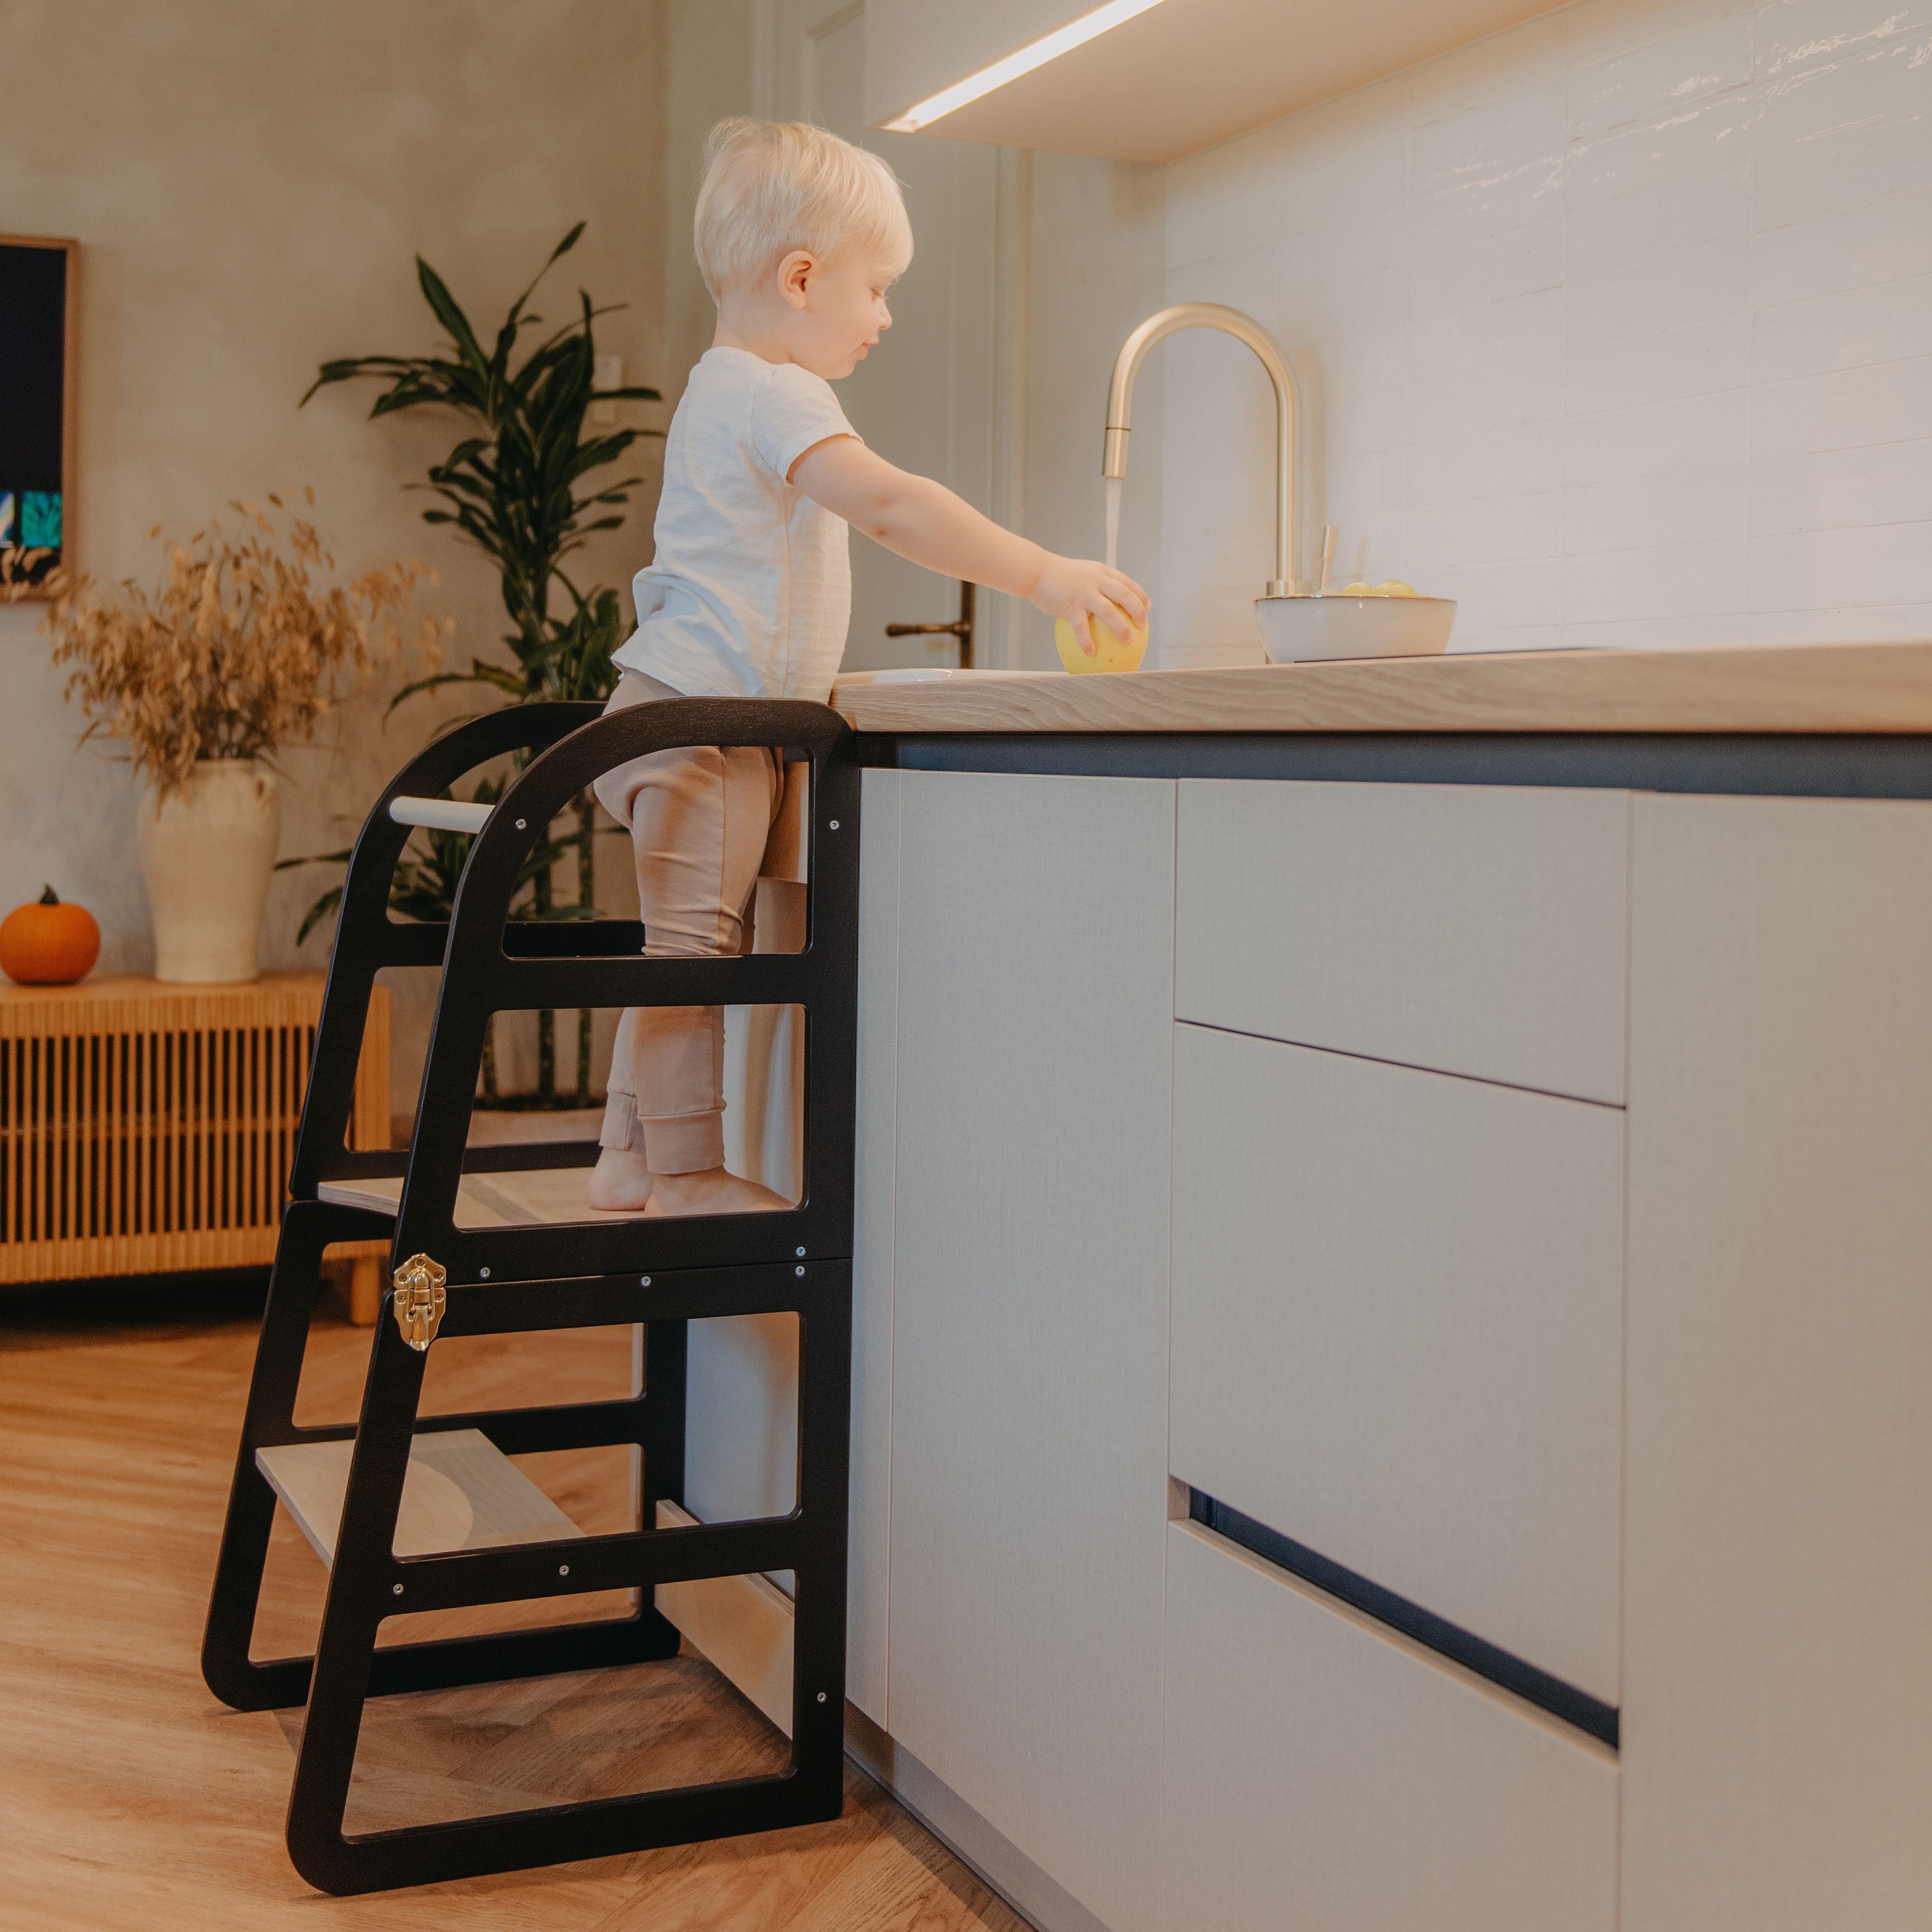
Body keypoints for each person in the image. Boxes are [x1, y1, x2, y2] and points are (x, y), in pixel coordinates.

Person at [588, 117, 1150, 1217]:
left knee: (678, 945)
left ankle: (626, 1156)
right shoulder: (775, 392)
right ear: (802, 277)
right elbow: (893, 507)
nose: (886, 316)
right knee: (692, 953)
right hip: (697, 727)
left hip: (684, 717)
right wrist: (1044, 576)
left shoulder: (721, 386)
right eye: (877, 287)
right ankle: (688, 1174)